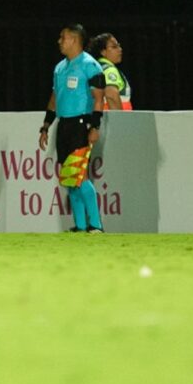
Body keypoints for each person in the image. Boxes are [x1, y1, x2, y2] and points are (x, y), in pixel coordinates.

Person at [38, 24, 105, 234]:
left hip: (80, 124)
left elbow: (99, 98)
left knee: (80, 175)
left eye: (63, 37)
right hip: (64, 125)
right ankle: (80, 225)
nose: (59, 41)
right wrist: (46, 126)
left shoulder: (89, 65)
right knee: (68, 176)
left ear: (74, 40)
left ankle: (96, 224)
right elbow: (55, 98)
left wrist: (95, 125)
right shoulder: (59, 68)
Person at [88, 32, 132, 111]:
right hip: (112, 121)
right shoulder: (109, 69)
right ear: (103, 52)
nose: (120, 49)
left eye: (119, 46)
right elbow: (111, 95)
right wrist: (119, 120)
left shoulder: (96, 68)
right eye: (114, 47)